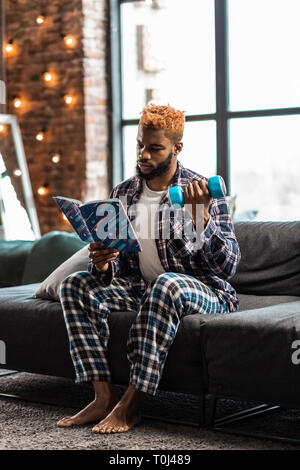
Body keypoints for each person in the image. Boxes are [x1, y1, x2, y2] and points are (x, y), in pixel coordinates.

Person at [57, 104, 241, 434]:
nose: (144, 154)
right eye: (141, 145)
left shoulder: (200, 191)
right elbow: (120, 270)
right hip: (143, 289)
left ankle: (130, 406)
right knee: (74, 285)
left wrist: (202, 218)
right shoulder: (124, 193)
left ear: (176, 148)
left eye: (155, 148)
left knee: (168, 284)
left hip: (205, 292)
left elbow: (227, 267)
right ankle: (101, 397)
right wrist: (101, 266)